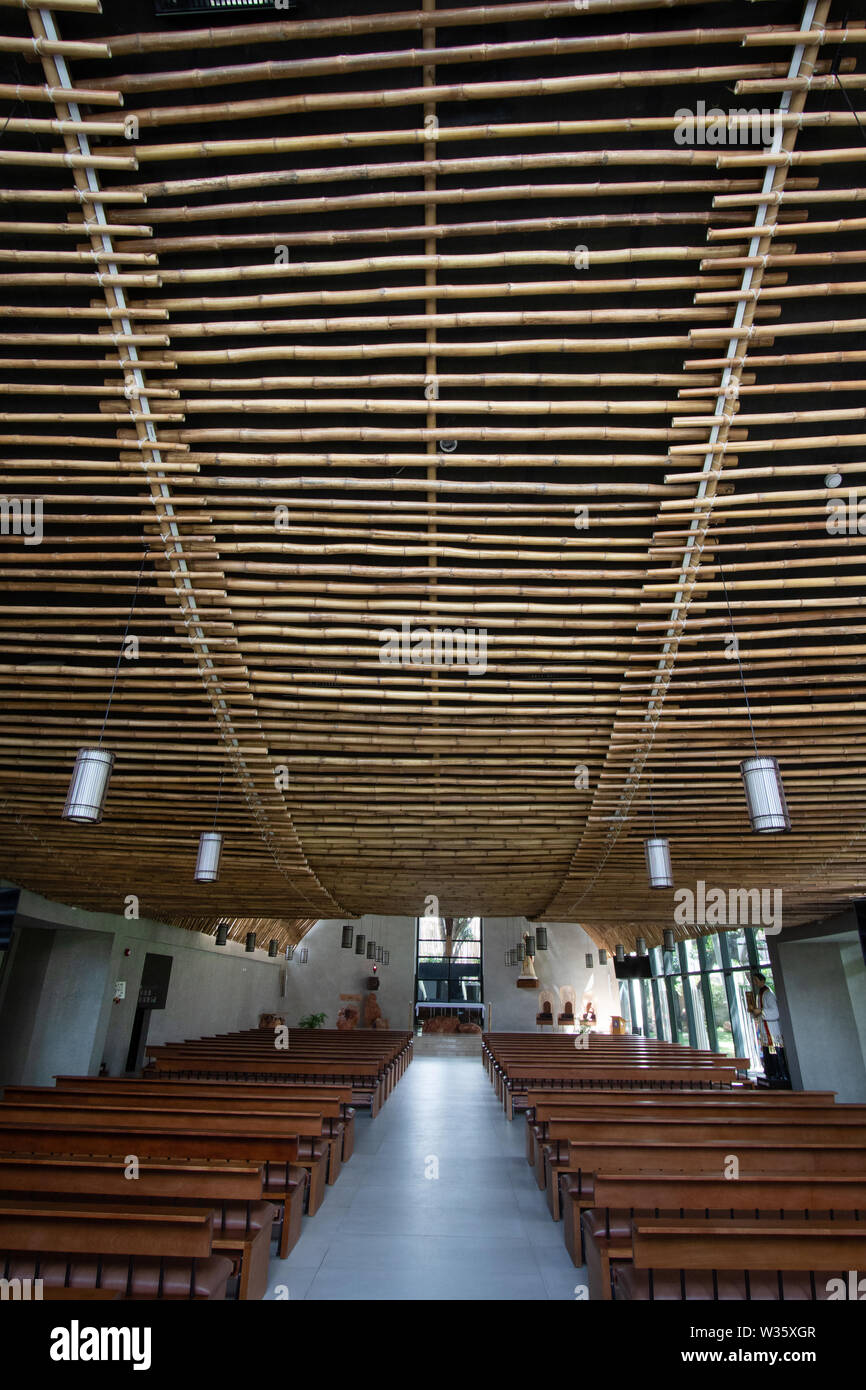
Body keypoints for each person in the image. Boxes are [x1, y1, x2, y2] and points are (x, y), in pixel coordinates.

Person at [748, 971, 790, 1087]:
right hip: (765, 1030)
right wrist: (754, 1011)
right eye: (754, 981)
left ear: (762, 981)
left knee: (775, 1053)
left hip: (771, 1030)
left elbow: (775, 1012)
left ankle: (778, 1074)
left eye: (757, 980)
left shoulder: (769, 994)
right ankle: (770, 1072)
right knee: (768, 1053)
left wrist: (761, 1011)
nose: (756, 983)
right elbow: (759, 1011)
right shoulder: (759, 995)